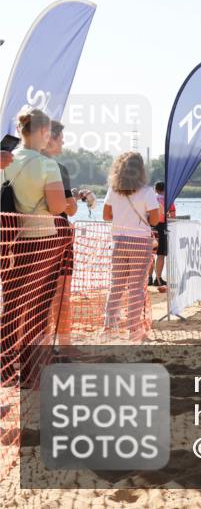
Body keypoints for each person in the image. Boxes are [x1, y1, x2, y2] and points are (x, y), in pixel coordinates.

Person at [0, 109, 69, 386]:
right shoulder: (46, 165)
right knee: (38, 308)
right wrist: (66, 202)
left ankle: (4, 371)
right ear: (42, 132)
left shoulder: (5, 161)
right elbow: (57, 207)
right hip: (42, 241)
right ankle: (29, 372)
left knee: (13, 306)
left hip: (10, 240)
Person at [40, 121, 91, 350]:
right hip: (57, 234)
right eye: (61, 139)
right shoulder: (57, 168)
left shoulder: (18, 163)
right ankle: (65, 345)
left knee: (29, 297)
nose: (63, 143)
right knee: (61, 294)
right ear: (49, 139)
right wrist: (74, 198)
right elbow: (69, 208)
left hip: (25, 235)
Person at [103, 152, 160, 340]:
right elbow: (155, 219)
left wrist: (122, 216)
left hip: (118, 239)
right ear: (140, 170)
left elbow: (106, 215)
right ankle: (134, 330)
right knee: (136, 287)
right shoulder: (147, 191)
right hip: (140, 241)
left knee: (116, 285)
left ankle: (109, 327)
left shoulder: (113, 189)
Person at [148, 181, 175, 288]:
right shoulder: (168, 199)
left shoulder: (150, 198)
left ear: (155, 189)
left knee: (150, 254)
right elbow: (172, 216)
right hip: (162, 226)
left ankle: (149, 278)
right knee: (161, 254)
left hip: (150, 226)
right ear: (164, 189)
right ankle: (158, 278)